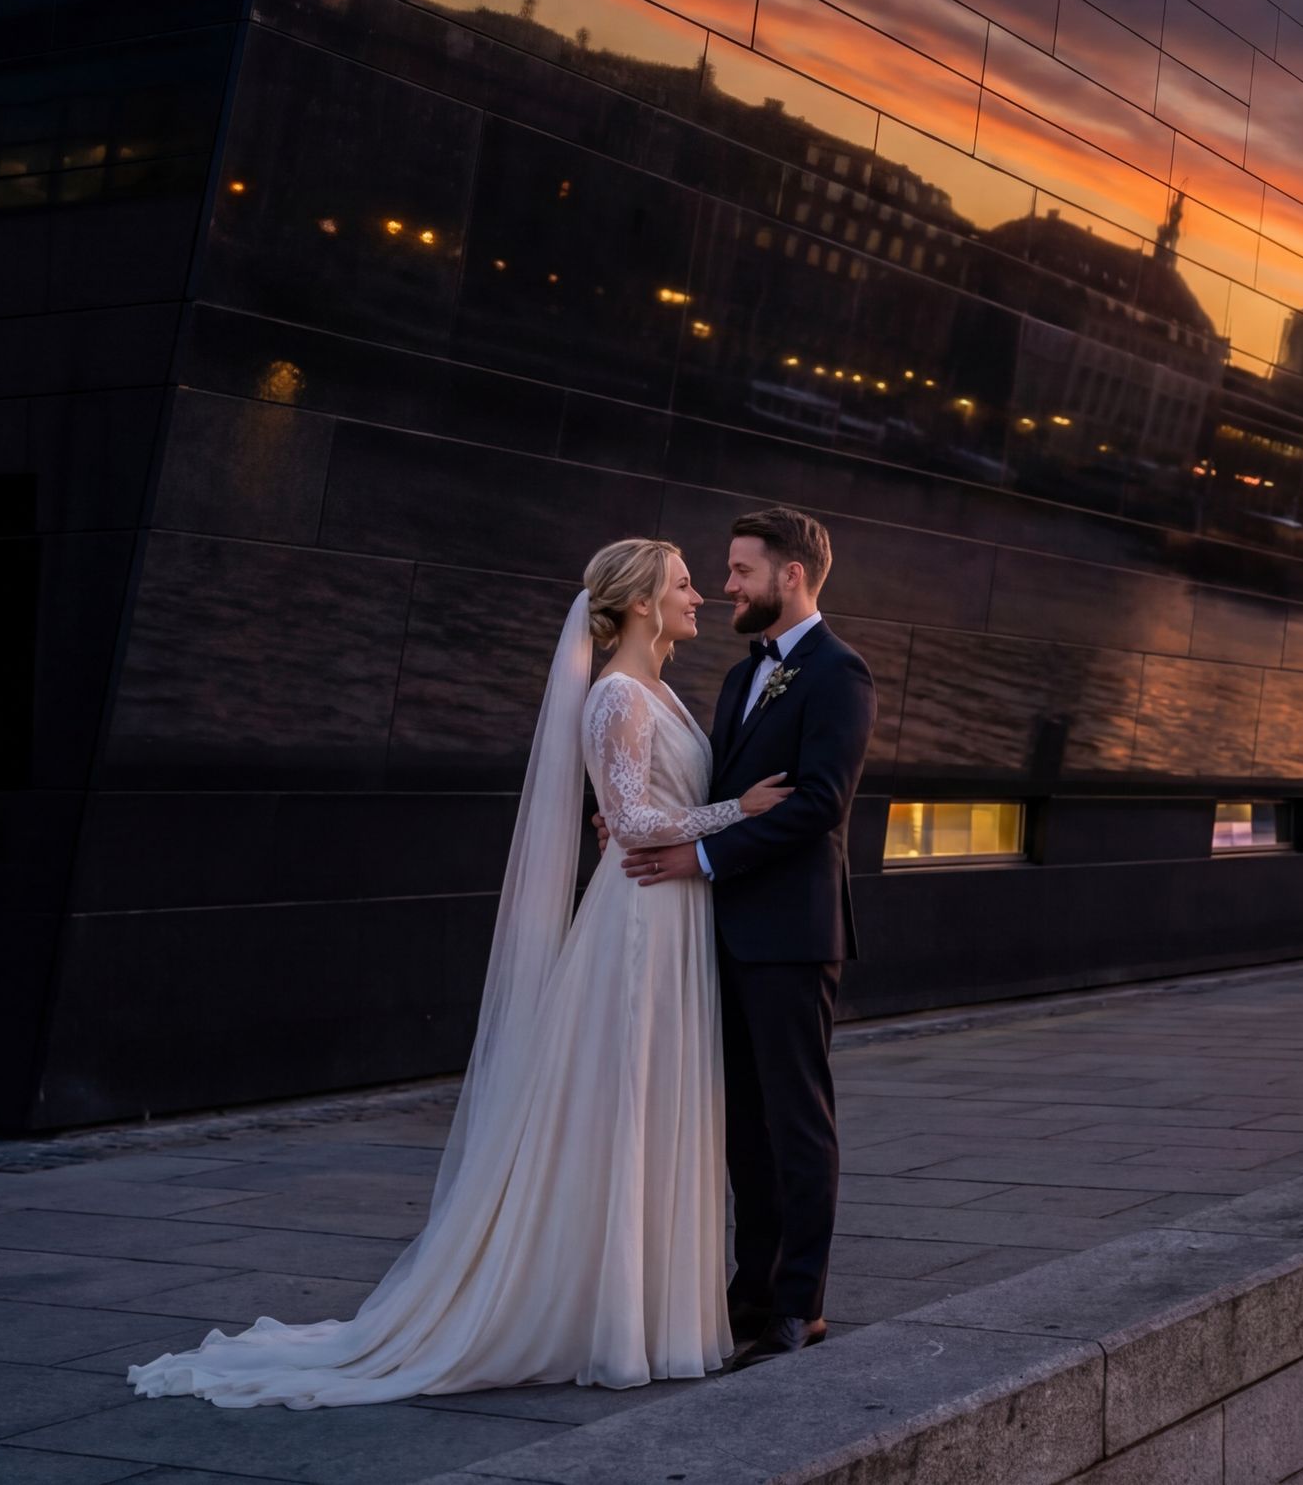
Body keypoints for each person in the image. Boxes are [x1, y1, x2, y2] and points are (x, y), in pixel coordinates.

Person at [129, 539, 793, 1405]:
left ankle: (647, 1309)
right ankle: (607, 1313)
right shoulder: (615, 695)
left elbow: (639, 810)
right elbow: (630, 819)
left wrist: (687, 819)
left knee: (658, 1100)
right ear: (639, 602)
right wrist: (735, 810)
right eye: (682, 583)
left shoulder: (661, 690)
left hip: (676, 915)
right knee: (628, 1101)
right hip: (638, 923)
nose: (698, 594)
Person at [620, 508, 876, 1370]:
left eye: (740, 570)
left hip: (792, 936)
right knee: (743, 1128)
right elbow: (716, 791)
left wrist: (698, 856)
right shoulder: (739, 676)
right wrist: (636, 820)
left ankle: (801, 1304)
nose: (726, 585)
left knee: (797, 1123)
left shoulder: (840, 673)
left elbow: (819, 805)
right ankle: (753, 1288)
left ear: (790, 575)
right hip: (721, 933)